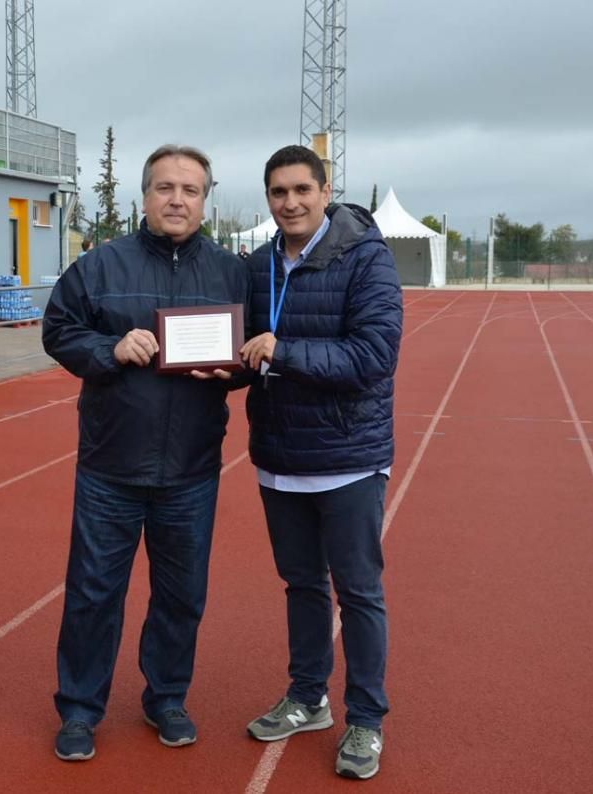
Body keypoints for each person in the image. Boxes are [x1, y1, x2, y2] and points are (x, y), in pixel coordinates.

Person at [42, 145, 249, 761]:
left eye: (189, 189)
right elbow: (58, 330)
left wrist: (231, 370)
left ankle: (166, 697)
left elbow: (248, 358)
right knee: (92, 593)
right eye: (164, 188)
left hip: (190, 467)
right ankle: (80, 710)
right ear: (144, 197)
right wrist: (109, 349)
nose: (177, 199)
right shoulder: (100, 266)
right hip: (111, 465)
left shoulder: (231, 271)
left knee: (182, 594)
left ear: (205, 199)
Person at [238, 146, 402, 780]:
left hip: (349, 459)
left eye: (302, 189)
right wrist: (209, 364)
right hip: (279, 459)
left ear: (326, 189)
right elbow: (246, 350)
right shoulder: (258, 267)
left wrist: (284, 352)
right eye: (278, 192)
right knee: (302, 587)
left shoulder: (367, 260)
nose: (290, 203)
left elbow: (373, 357)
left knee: (359, 593)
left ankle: (365, 720)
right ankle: (308, 697)